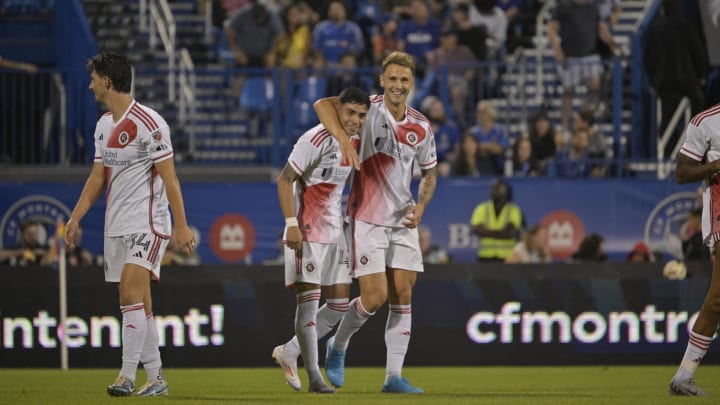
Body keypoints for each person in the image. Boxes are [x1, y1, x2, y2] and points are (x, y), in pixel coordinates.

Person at [64, 52, 195, 397]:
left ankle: (126, 375)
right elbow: (97, 177)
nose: (90, 83)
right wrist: (76, 216)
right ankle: (157, 378)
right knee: (142, 303)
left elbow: (171, 179)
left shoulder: (151, 123)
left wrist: (181, 225)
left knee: (128, 293)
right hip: (116, 225)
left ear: (107, 81)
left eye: (94, 77)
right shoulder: (104, 125)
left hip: (148, 222)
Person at [313, 51, 438, 393]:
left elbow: (429, 174)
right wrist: (343, 139)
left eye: (404, 80)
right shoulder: (368, 110)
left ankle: (393, 377)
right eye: (393, 79)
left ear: (412, 84)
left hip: (403, 220)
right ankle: (338, 345)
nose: (398, 85)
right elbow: (323, 105)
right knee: (374, 297)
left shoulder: (421, 126)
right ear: (382, 80)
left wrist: (422, 205)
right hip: (367, 217)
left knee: (403, 293)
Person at [270, 87, 370, 394]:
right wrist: (291, 225)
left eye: (361, 115)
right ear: (338, 110)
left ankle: (289, 351)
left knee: (339, 304)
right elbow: (285, 179)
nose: (355, 120)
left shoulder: (355, 140)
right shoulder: (314, 139)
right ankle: (314, 377)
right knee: (309, 307)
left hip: (334, 232)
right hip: (307, 230)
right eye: (350, 112)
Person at [668, 101, 720, 396]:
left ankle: (683, 378)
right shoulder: (706, 121)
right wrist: (714, 165)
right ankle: (683, 377)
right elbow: (682, 173)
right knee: (718, 296)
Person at [644, 0, 707, 158]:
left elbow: (648, 58)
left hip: (664, 84)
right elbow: (698, 52)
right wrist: (701, 76)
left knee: (666, 118)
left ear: (662, 10)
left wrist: (653, 82)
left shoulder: (655, 30)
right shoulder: (686, 28)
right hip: (686, 81)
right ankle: (695, 150)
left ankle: (666, 153)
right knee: (698, 107)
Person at [547, 0, 618, 132]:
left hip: (589, 55)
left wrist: (613, 44)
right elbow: (551, 28)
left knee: (594, 86)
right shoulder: (563, 7)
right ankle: (566, 126)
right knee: (568, 91)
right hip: (570, 56)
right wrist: (557, 49)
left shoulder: (593, 8)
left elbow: (600, 29)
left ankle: (583, 119)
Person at [470, 178, 523, 261]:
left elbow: (510, 233)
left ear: (506, 192)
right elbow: (477, 230)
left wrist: (488, 233)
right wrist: (500, 233)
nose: (494, 191)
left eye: (498, 189)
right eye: (493, 188)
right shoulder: (482, 208)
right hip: (485, 257)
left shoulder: (514, 210)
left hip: (507, 258)